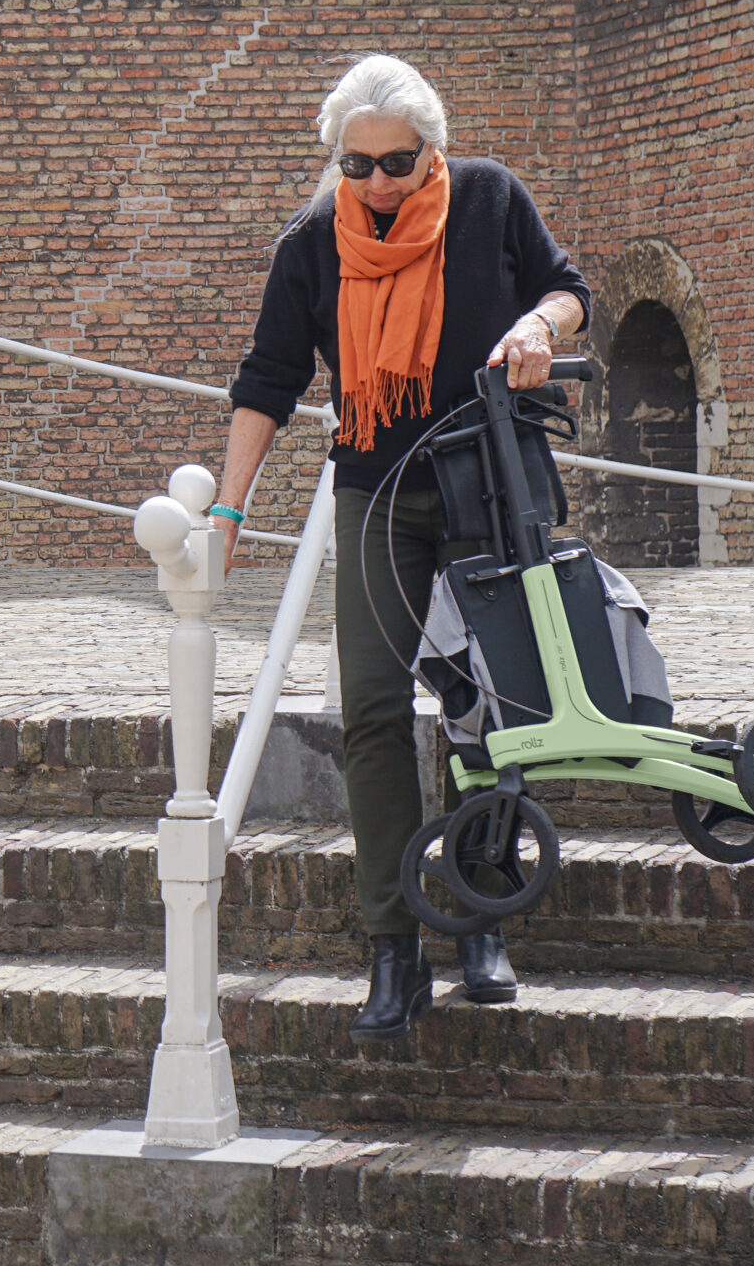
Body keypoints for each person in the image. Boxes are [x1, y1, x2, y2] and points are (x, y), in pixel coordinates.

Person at [215, 54, 589, 1040]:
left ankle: (481, 913)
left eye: (396, 161)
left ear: (433, 149)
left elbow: (566, 290)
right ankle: (392, 945)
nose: (378, 181)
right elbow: (267, 379)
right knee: (374, 710)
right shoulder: (313, 241)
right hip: (376, 493)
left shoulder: (489, 199)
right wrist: (226, 514)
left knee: (491, 706)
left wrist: (534, 325)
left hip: (489, 486)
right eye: (357, 164)